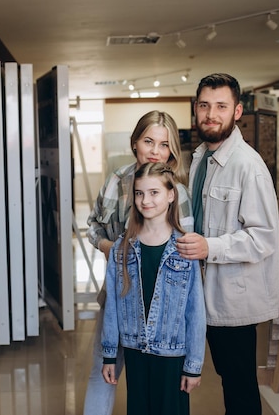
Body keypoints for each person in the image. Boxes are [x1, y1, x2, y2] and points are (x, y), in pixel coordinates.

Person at [176, 73, 279, 415]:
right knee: (220, 374)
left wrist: (211, 247)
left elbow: (263, 238)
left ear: (237, 111)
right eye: (205, 105)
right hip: (201, 290)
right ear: (195, 109)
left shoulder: (249, 167)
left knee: (239, 385)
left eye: (221, 106)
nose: (211, 114)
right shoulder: (200, 158)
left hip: (233, 298)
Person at [84, 110, 193, 415]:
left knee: (158, 384)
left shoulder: (178, 191)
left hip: (163, 299)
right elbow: (93, 226)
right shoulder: (117, 181)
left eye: (163, 144)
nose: (155, 151)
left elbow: (186, 246)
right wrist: (111, 248)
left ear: (171, 151)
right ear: (135, 142)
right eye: (148, 141)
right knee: (103, 367)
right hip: (120, 292)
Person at [100, 162, 206, 415]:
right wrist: (109, 355)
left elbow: (196, 312)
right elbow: (112, 306)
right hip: (136, 351)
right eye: (139, 193)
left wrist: (193, 365)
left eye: (154, 192)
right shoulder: (121, 250)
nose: (145, 200)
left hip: (172, 355)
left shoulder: (185, 249)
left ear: (171, 195)